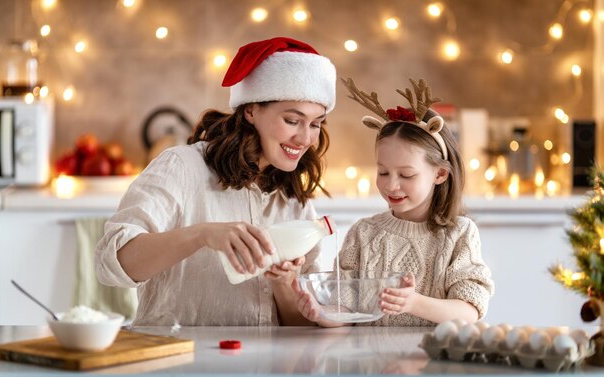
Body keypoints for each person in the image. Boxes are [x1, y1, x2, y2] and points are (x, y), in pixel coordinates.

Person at [95, 37, 337, 326]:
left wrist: (283, 284)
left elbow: (301, 328)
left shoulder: (293, 195)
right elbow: (113, 264)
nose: (305, 138)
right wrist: (202, 235)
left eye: (315, 123)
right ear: (251, 110)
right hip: (179, 363)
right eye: (292, 120)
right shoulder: (182, 168)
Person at [296, 78, 494, 327]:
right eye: (383, 172)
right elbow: (345, 308)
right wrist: (322, 313)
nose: (391, 185)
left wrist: (413, 303)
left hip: (431, 363)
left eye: (406, 175)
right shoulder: (363, 233)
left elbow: (469, 311)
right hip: (371, 364)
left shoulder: (459, 234)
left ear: (439, 174)